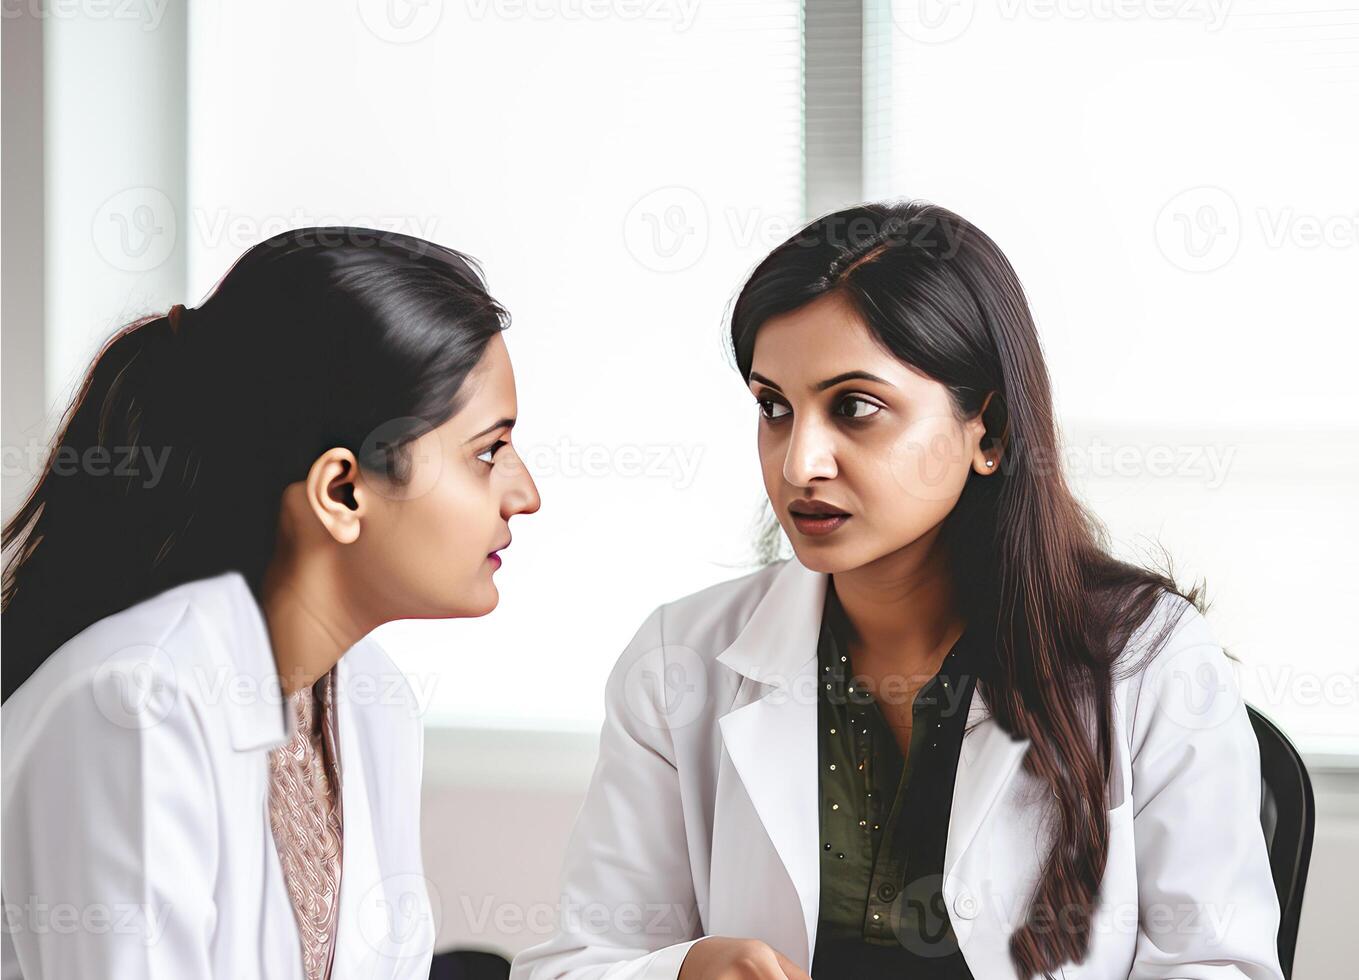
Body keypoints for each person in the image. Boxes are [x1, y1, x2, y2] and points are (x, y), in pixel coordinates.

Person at [509, 202, 1283, 980]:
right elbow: (574, 965)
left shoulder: (1148, 659)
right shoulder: (681, 658)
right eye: (774, 408)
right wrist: (682, 972)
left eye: (854, 408)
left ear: (991, 431)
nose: (798, 463)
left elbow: (1218, 967)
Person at [1, 227, 541, 979]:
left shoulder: (371, 698)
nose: (526, 495)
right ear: (341, 491)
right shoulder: (133, 709)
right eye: (488, 452)